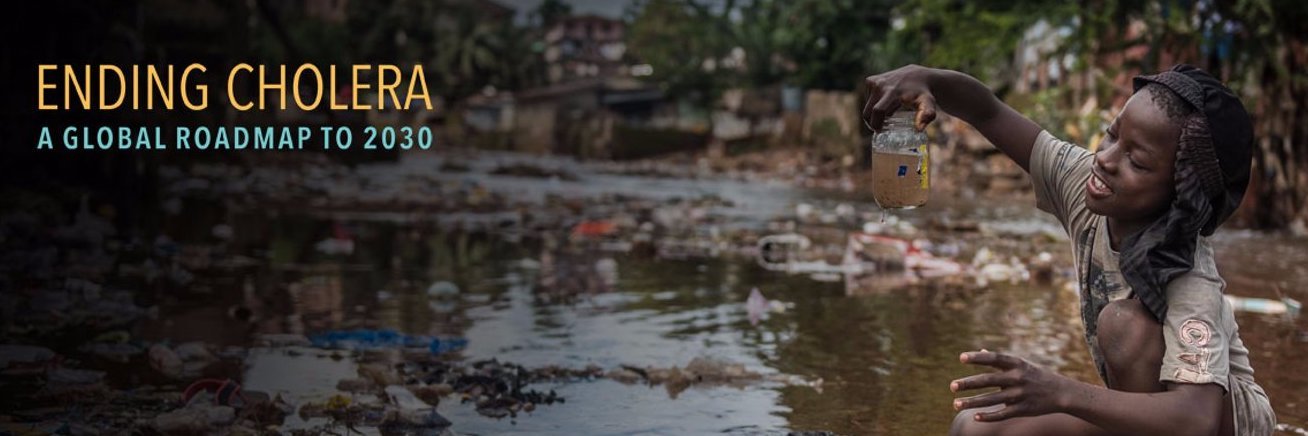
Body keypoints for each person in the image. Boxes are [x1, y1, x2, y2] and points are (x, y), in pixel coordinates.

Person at [862, 64, 1274, 435]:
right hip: (1153, 417)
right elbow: (988, 112)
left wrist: (1061, 391)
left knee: (1122, 326)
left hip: (1218, 424)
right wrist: (928, 79)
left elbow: (1195, 419)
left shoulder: (1188, 276)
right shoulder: (1086, 186)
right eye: (1112, 134)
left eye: (1138, 162)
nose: (1106, 159)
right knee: (976, 428)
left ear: (1179, 197)